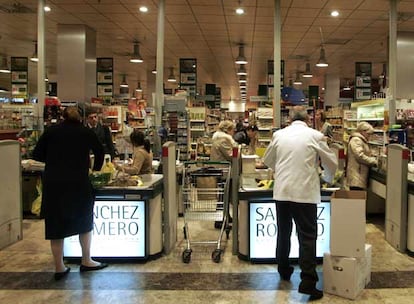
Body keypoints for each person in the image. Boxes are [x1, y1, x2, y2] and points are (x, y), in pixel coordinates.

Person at [263, 106, 338, 300]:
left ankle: (284, 269)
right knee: (306, 237)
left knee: (283, 232)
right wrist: (326, 178)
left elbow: (268, 160)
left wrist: (282, 169)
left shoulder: (279, 135)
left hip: (282, 192)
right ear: (308, 118)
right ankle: (307, 282)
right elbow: (331, 161)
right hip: (304, 193)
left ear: (289, 119)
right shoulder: (315, 135)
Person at [32, 106, 108, 281]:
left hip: (54, 183)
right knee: (84, 220)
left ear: (63, 117)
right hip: (78, 182)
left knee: (56, 225)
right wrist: (95, 169)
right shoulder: (84, 132)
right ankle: (86, 260)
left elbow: (36, 154)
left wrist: (53, 159)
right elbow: (100, 151)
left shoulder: (51, 132)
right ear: (80, 118)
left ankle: (59, 266)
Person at [346, 121, 378, 190]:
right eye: (368, 134)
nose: (369, 136)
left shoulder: (361, 140)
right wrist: (373, 161)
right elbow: (360, 156)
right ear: (362, 131)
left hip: (359, 175)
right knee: (357, 197)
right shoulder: (356, 140)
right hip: (357, 175)